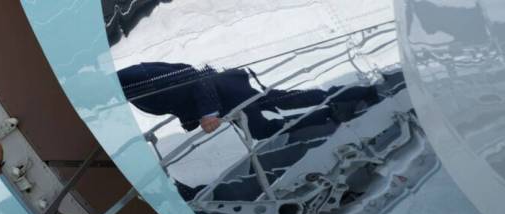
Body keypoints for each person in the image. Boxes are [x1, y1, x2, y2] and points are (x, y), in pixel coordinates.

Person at [117, 62, 381, 140]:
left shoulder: (134, 77)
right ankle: (342, 101)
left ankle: (339, 107)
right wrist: (193, 118)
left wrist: (207, 112)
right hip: (223, 98)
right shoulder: (129, 92)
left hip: (225, 93)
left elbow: (190, 77)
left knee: (264, 125)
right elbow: (178, 98)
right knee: (284, 102)